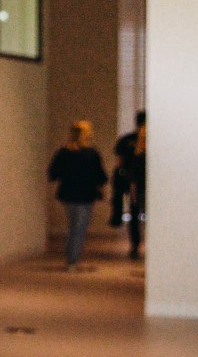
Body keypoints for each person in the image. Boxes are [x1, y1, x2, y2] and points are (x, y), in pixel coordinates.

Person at [48, 120, 108, 269]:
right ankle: (72, 259)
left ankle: (71, 257)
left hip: (68, 194)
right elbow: (99, 174)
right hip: (85, 195)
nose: (90, 133)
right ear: (82, 134)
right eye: (88, 131)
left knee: (74, 226)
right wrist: (101, 188)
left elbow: (53, 173)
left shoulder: (64, 152)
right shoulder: (91, 153)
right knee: (79, 227)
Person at [111, 111, 146, 257]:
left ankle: (135, 245)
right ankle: (137, 245)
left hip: (131, 182)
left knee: (134, 214)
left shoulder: (126, 140)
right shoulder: (147, 141)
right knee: (136, 213)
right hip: (139, 183)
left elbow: (119, 163)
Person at [126, 121, 147, 260]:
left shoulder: (138, 156)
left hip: (141, 191)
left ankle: (136, 244)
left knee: (137, 220)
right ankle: (137, 244)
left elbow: (133, 178)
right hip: (142, 191)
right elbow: (133, 179)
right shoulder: (140, 157)